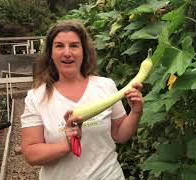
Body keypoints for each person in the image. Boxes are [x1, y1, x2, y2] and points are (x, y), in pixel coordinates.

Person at [21, 19, 144, 180]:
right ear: (50, 53)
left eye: (74, 45)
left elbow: (120, 134)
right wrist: (67, 145)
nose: (67, 52)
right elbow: (30, 153)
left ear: (84, 51)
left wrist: (135, 112)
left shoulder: (106, 86)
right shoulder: (36, 97)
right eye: (59, 46)